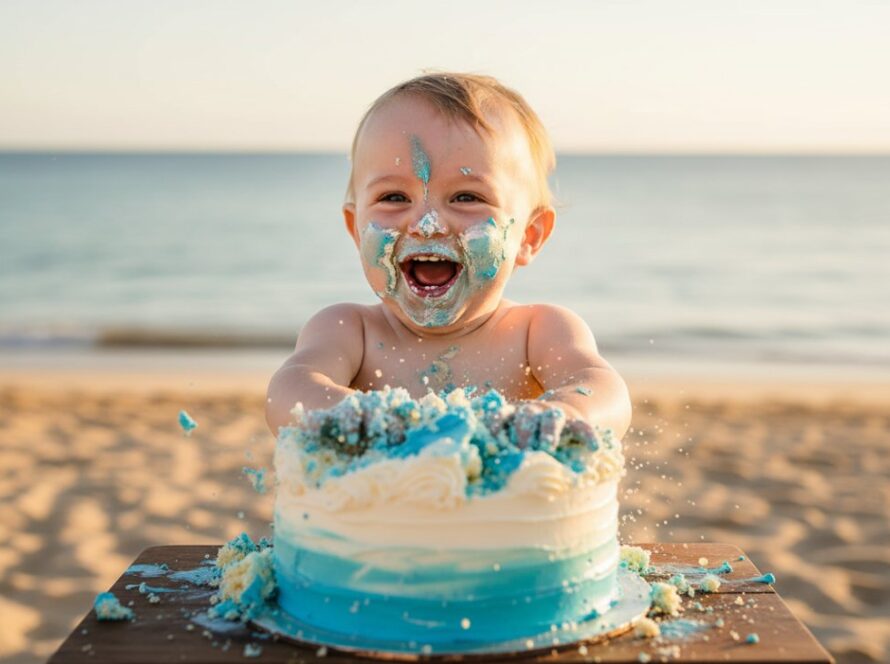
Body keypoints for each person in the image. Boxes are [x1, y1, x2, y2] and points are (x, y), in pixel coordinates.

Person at [266, 72, 631, 443]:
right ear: (356, 229)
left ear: (528, 236)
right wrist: (344, 414)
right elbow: (289, 389)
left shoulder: (538, 331)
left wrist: (566, 412)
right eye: (393, 197)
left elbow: (603, 390)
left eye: (466, 197)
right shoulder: (348, 330)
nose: (427, 225)